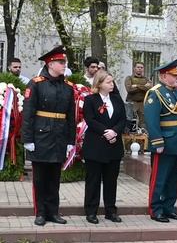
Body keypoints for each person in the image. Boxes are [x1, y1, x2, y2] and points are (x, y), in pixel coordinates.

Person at [22, 45, 75, 226]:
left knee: (54, 178)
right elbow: (28, 114)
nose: (64, 65)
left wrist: (71, 140)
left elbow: (71, 115)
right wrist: (28, 139)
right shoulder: (36, 84)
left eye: (64, 62)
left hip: (59, 136)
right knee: (40, 178)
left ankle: (53, 212)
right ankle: (41, 212)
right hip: (41, 136)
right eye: (61, 62)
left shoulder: (67, 87)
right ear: (50, 64)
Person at [144, 58, 177, 223]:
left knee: (173, 178)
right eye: (173, 75)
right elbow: (151, 120)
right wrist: (157, 142)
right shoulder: (155, 93)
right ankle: (156, 209)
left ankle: (169, 207)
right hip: (165, 143)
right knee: (160, 178)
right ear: (163, 76)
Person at [82, 70, 126, 224]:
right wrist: (105, 132)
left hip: (114, 146)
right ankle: (91, 211)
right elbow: (90, 119)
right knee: (93, 180)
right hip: (96, 145)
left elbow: (122, 119)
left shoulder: (117, 99)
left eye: (112, 81)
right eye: (108, 82)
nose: (112, 84)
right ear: (99, 84)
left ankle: (110, 211)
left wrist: (114, 131)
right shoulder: (90, 100)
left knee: (111, 180)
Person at [124, 62, 153, 130]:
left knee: (143, 124)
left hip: (143, 104)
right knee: (130, 122)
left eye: (141, 67)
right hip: (131, 103)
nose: (140, 69)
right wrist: (143, 87)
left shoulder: (146, 79)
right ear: (134, 68)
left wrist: (136, 86)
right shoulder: (129, 78)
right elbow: (129, 89)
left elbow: (150, 89)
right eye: (138, 67)